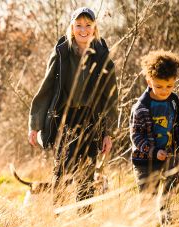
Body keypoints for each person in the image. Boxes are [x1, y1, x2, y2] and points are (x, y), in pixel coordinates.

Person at [27, 7, 118, 212]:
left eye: (88, 25)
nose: (83, 30)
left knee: (86, 172)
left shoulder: (102, 55)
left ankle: (84, 218)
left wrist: (108, 132)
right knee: (62, 169)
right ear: (72, 27)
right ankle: (57, 216)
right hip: (64, 119)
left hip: (90, 120)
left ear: (95, 28)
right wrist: (35, 124)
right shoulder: (61, 53)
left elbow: (111, 96)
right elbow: (47, 87)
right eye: (78, 25)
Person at [130, 50, 179, 224]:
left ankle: (165, 207)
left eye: (169, 86)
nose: (164, 91)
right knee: (147, 200)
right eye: (159, 86)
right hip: (145, 160)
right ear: (149, 81)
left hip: (168, 154)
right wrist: (153, 151)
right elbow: (136, 136)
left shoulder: (174, 101)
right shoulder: (142, 107)